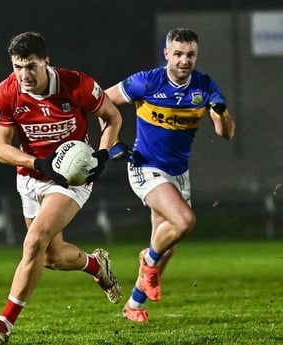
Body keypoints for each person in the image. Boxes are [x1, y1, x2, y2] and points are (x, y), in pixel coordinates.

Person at [0, 31, 124, 344]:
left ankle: (4, 323)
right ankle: (95, 265)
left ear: (46, 62)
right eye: (18, 66)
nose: (24, 74)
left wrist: (102, 155)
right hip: (32, 176)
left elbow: (112, 117)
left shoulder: (77, 85)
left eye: (31, 66)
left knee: (34, 242)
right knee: (51, 256)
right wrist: (39, 164)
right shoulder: (6, 93)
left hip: (71, 180)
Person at [104, 28, 236, 323]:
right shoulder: (147, 81)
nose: (184, 60)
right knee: (185, 221)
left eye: (190, 54)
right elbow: (102, 101)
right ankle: (147, 259)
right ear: (167, 54)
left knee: (168, 245)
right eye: (177, 54)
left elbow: (225, 133)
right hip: (145, 166)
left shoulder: (203, 86)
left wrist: (222, 113)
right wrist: (110, 143)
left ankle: (134, 306)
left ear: (196, 55)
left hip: (178, 174)